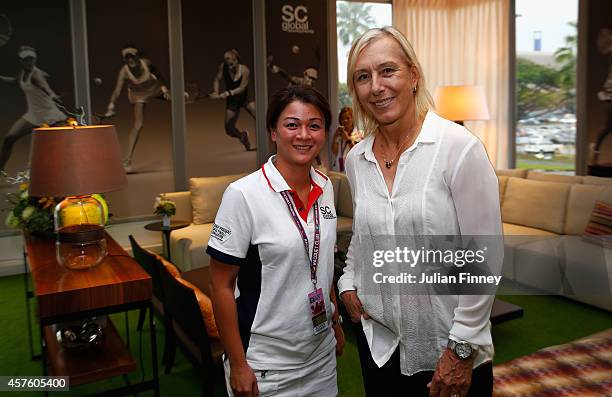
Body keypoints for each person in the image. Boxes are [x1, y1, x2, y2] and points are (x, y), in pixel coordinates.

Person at [338, 27, 502, 397]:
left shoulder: (459, 149)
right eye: (363, 77)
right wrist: (347, 281)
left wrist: (460, 351)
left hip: (448, 355)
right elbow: (365, 236)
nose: (376, 86)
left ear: (413, 76)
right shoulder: (356, 159)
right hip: (379, 348)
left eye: (388, 71)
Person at [208, 86, 344, 397]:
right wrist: (239, 364)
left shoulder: (326, 186)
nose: (304, 135)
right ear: (273, 131)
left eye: (314, 125)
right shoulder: (243, 195)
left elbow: (322, 263)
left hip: (320, 358)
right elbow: (221, 286)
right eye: (292, 124)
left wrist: (334, 321)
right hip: (266, 366)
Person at [0, 46, 66, 170]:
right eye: (26, 59)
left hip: (49, 115)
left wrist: (53, 95)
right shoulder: (23, 72)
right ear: (21, 61)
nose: (30, 62)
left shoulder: (37, 74)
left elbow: (44, 86)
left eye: (32, 59)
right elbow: (15, 81)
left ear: (35, 59)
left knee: (63, 146)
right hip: (33, 115)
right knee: (9, 138)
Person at [105, 46, 169, 173]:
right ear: (125, 60)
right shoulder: (124, 71)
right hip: (138, 95)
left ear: (137, 57)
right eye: (127, 58)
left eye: (132, 57)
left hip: (154, 89)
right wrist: (111, 105)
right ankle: (127, 161)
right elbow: (117, 91)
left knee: (176, 98)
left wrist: (165, 89)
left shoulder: (147, 63)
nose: (130, 60)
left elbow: (160, 76)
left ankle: (183, 94)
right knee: (138, 125)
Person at [210, 49, 255, 151]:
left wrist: (227, 93)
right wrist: (216, 92)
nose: (230, 67)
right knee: (229, 129)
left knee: (261, 119)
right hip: (233, 101)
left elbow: (242, 88)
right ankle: (242, 136)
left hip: (245, 98)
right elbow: (217, 79)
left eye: (231, 64)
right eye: (227, 64)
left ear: (236, 60)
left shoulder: (245, 70)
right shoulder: (224, 67)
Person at [331, 107, 362, 172]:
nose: (345, 121)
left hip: (354, 170)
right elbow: (334, 151)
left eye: (348, 118)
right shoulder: (340, 135)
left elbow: (358, 153)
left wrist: (347, 139)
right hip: (340, 169)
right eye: (342, 119)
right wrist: (335, 137)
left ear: (353, 119)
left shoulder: (359, 134)